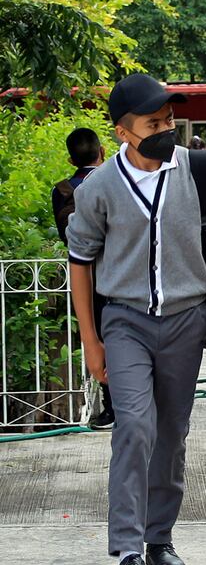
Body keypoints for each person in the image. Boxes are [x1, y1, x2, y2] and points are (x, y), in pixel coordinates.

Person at [66, 73, 206, 565]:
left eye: (169, 120)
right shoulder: (98, 188)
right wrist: (91, 339)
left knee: (171, 433)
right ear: (123, 131)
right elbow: (80, 261)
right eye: (154, 123)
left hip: (188, 321)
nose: (167, 130)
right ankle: (127, 551)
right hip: (125, 321)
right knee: (134, 427)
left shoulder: (197, 171)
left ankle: (159, 538)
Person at [51, 128, 114, 429]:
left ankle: (110, 405)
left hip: (84, 275)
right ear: (102, 150)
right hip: (119, 271)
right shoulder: (116, 181)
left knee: (97, 338)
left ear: (69, 158)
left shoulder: (62, 190)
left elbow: (68, 236)